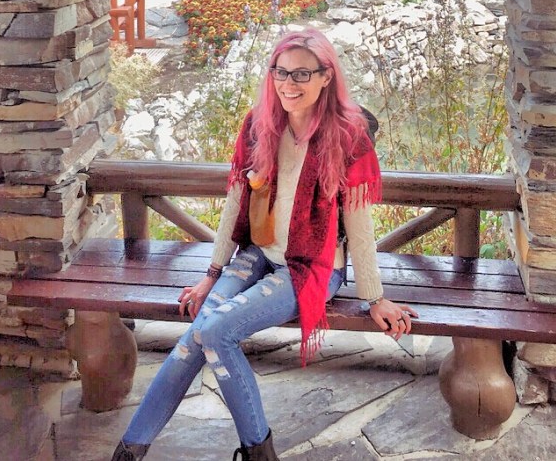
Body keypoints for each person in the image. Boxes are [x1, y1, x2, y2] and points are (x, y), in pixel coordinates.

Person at [111, 28, 417, 461]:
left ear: (326, 76)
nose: (289, 83)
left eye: (302, 74)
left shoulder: (348, 135)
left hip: (313, 265)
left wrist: (374, 297)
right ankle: (129, 452)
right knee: (198, 336)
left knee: (214, 331)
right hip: (258, 254)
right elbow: (236, 200)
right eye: (281, 72)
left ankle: (256, 453)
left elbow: (358, 219)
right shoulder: (260, 125)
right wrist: (212, 274)